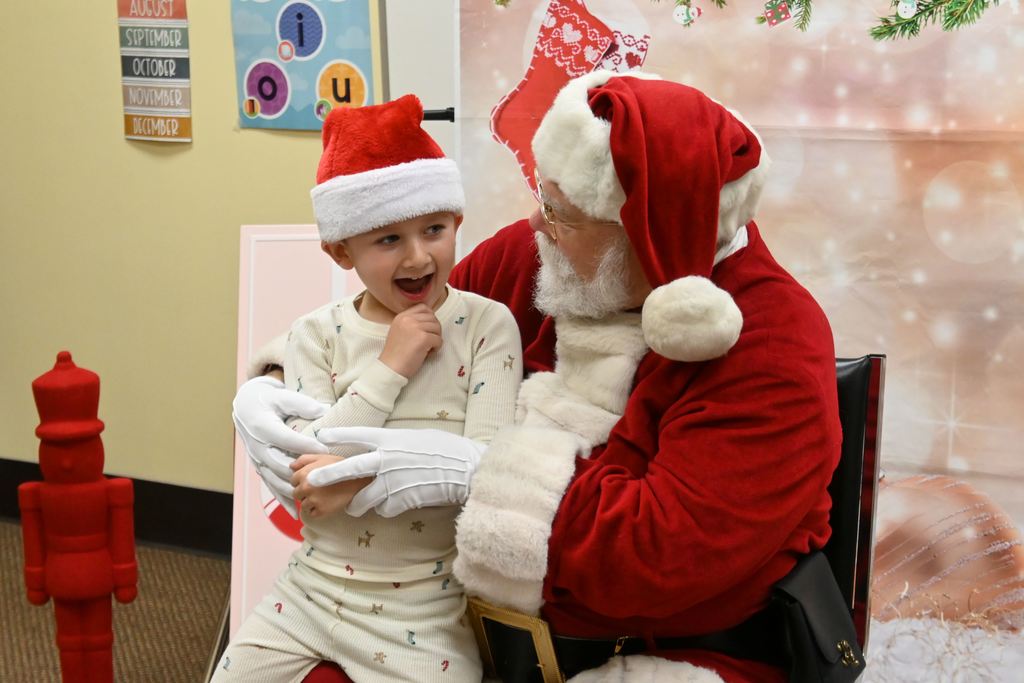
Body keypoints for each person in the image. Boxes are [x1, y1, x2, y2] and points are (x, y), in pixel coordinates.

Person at [234, 71, 842, 683]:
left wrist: (474, 472)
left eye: (563, 213)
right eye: (545, 196)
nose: (536, 222)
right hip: (458, 629)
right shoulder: (539, 260)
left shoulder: (773, 342)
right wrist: (276, 380)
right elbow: (408, 324)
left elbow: (651, 561)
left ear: (648, 238)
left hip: (664, 653)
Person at [218, 94, 523, 683]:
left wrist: (347, 468)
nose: (417, 256)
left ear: (457, 222)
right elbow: (312, 477)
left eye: (434, 229)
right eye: (387, 240)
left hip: (425, 605)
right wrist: (390, 368)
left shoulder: (487, 326)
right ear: (340, 249)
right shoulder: (315, 333)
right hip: (309, 592)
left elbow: (485, 474)